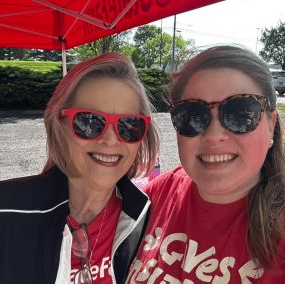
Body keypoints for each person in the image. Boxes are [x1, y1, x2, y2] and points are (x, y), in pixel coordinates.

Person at [126, 45, 285, 283]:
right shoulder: (160, 193)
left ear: (271, 125)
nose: (213, 135)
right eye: (192, 115)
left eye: (241, 113)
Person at [0, 52, 159, 283]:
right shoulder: (6, 212)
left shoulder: (144, 221)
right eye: (89, 122)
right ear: (58, 125)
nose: (111, 140)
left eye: (129, 125)